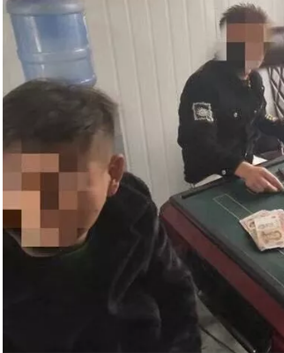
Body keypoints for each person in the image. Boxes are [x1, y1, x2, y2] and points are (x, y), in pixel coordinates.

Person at [3, 80, 202, 353]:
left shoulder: (133, 210)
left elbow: (175, 292)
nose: (35, 206)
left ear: (113, 175)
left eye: (64, 185)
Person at [178, 3, 284, 192]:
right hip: (212, 175)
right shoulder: (202, 84)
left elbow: (260, 118)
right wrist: (244, 169)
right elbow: (201, 145)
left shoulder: (254, 79)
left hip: (246, 165)